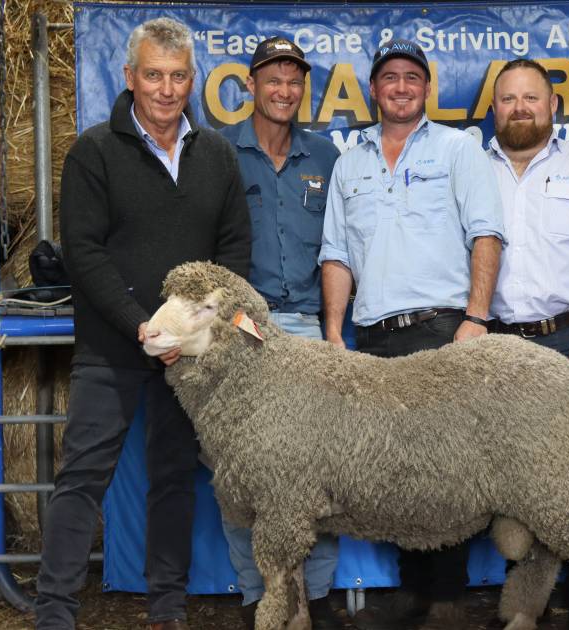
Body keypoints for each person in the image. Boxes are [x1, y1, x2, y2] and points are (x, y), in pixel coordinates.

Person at [35, 17, 252, 630]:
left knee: (174, 477)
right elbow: (85, 252)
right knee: (83, 477)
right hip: (112, 348)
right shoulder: (94, 153)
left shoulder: (216, 156)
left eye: (177, 75)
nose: (165, 88)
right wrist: (141, 326)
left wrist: (195, 335)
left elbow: (233, 252)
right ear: (130, 77)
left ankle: (167, 609)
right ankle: (54, 612)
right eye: (153, 74)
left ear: (192, 80)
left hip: (188, 357)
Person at [318, 39, 504, 630]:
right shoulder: (350, 162)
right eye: (389, 78)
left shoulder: (458, 149)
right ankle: (412, 593)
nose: (400, 87)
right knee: (393, 472)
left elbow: (486, 234)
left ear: (428, 89)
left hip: (443, 329)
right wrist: (332, 334)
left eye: (411, 78)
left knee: (444, 470)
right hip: (373, 338)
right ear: (374, 89)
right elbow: (337, 255)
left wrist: (475, 319)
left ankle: (447, 599)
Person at [216, 36, 343, 630]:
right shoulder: (217, 154)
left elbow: (343, 247)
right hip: (247, 332)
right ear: (252, 86)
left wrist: (335, 330)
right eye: (274, 79)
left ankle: (312, 601)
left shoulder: (325, 157)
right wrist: (239, 325)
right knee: (243, 476)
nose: (284, 91)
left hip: (312, 329)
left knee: (321, 475)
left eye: (295, 81)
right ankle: (257, 598)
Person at [486, 58, 569, 627]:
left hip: (568, 342)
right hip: (493, 349)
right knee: (503, 479)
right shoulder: (470, 168)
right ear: (494, 109)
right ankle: (525, 604)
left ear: (553, 106)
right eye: (509, 99)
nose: (521, 108)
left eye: (531, 98)